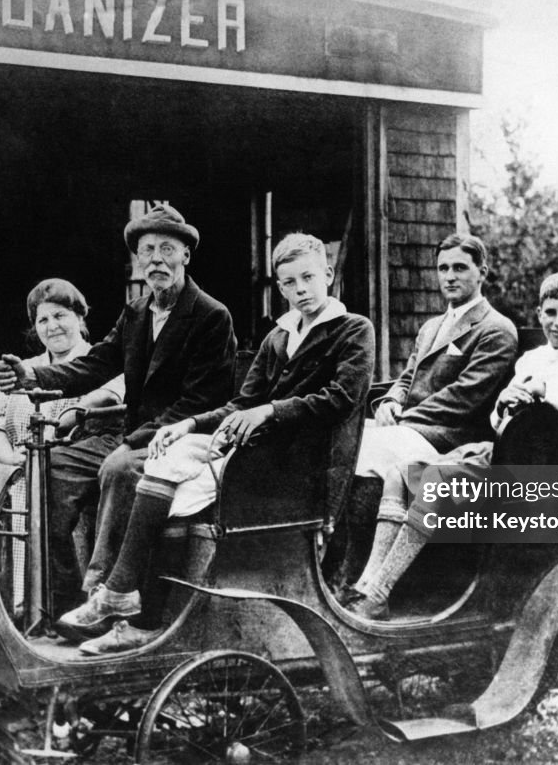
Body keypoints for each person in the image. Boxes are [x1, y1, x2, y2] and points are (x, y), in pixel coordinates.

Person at [56, 232, 376, 654]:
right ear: (279, 287)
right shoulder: (277, 337)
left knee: (168, 491)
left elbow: (341, 398)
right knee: (163, 464)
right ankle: (131, 604)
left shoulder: (353, 330)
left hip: (300, 465)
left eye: (309, 278)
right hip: (251, 451)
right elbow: (241, 403)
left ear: (329, 276)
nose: (301, 290)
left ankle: (137, 610)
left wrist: (271, 411)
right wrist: (188, 425)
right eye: (289, 283)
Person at [0, 204, 236, 617]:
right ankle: (61, 602)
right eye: (146, 250)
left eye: (166, 249)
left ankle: (104, 592)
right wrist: (33, 379)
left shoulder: (212, 316)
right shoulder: (137, 312)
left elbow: (201, 401)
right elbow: (96, 364)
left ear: (186, 256)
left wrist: (135, 442)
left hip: (188, 437)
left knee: (119, 468)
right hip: (132, 435)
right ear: (137, 259)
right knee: (46, 470)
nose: (156, 259)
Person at [346, 271, 558, 619]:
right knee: (400, 473)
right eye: (550, 313)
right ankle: (367, 586)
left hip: (548, 474)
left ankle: (380, 592)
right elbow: (498, 424)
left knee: (434, 481)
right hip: (506, 455)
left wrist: (544, 392)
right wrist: (504, 404)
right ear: (539, 314)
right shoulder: (532, 360)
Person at [336, 233, 517, 591]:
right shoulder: (432, 327)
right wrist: (390, 402)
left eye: (460, 268)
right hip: (411, 429)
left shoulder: (496, 330)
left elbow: (464, 397)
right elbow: (406, 378)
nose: (449, 276)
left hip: (450, 438)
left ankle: (357, 572)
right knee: (345, 440)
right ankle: (345, 566)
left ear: (482, 272)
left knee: (364, 448)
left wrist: (404, 417)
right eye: (443, 268)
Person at [0, 278, 124, 613]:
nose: (52, 326)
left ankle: (61, 606)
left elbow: (109, 398)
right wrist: (11, 458)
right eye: (42, 320)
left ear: (80, 318)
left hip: (75, 481)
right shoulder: (25, 369)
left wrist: (50, 438)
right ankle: (17, 606)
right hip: (19, 474)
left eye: (60, 315)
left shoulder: (101, 362)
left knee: (50, 502)